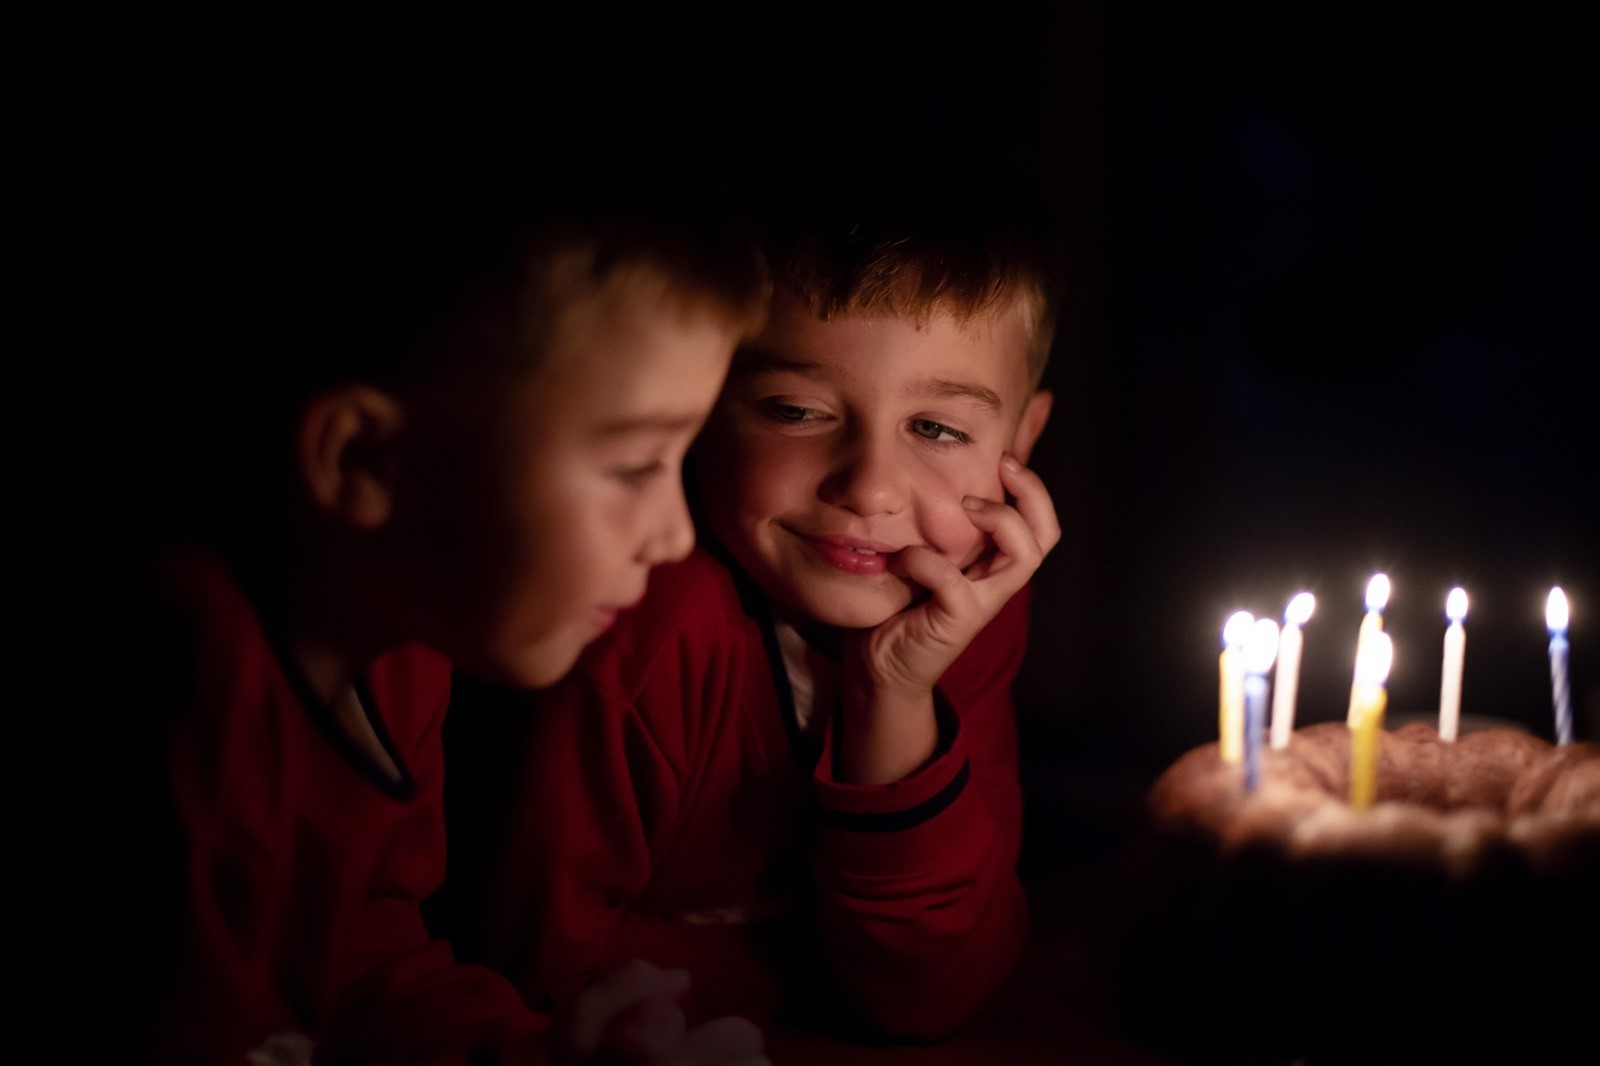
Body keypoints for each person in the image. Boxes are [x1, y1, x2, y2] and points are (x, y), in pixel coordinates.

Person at [41, 101, 775, 1066]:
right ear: (363, 462)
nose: (678, 538)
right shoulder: (172, 676)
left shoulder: (399, 652)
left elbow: (361, 971)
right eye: (637, 465)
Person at [440, 146, 1062, 1043]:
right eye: (794, 410)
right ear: (701, 401)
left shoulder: (966, 604)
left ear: (1024, 434)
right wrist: (802, 971)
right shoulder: (644, 623)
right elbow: (534, 967)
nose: (871, 487)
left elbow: (936, 993)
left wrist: (896, 694)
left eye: (936, 427)